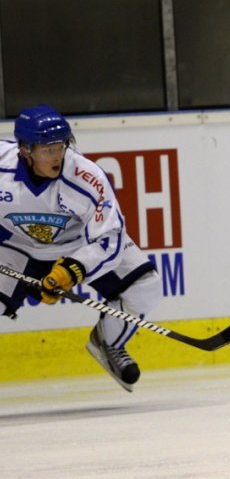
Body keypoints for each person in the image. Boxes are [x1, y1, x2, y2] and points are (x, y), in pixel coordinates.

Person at [0, 104, 162, 392]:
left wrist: (72, 271)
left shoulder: (86, 177)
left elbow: (109, 237)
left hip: (76, 246)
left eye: (61, 147)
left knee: (145, 285)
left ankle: (108, 342)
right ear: (25, 150)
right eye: (48, 150)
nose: (58, 156)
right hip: (15, 247)